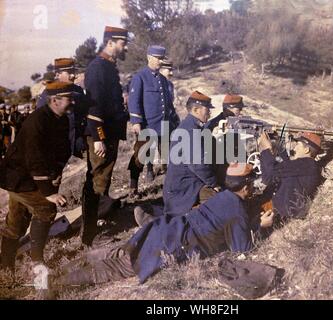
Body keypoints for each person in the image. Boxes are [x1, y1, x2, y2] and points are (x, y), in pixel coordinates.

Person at [54, 163, 275, 287]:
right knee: (121, 267)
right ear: (245, 187)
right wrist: (261, 227)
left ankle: (58, 271)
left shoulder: (223, 195)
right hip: (174, 243)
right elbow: (242, 249)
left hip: (167, 227)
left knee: (119, 251)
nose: (253, 188)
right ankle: (55, 285)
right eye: (251, 184)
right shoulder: (237, 209)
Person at [0, 82, 76, 270]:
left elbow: (64, 150)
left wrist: (56, 172)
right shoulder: (37, 121)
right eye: (69, 98)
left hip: (29, 178)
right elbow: (34, 158)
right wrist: (49, 192)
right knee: (46, 208)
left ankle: (5, 266)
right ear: (55, 100)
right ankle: (37, 263)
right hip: (17, 177)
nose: (72, 102)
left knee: (17, 219)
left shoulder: (62, 119)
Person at [80, 26, 129, 246]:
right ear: (110, 42)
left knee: (104, 179)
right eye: (121, 42)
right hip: (102, 134)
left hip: (110, 133)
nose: (124, 46)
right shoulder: (99, 68)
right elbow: (94, 106)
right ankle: (89, 236)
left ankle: (96, 226)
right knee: (96, 180)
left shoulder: (108, 66)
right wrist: (98, 137)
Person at [163, 91, 233, 216]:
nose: (209, 113)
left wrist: (222, 116)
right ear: (196, 109)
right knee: (225, 203)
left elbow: (207, 127)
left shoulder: (190, 125)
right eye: (207, 110)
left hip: (188, 182)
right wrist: (214, 183)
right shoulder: (191, 131)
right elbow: (198, 165)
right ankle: (183, 218)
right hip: (186, 188)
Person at [127, 45, 179, 190]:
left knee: (167, 155)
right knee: (140, 155)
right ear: (149, 57)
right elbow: (134, 101)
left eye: (162, 58)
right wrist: (136, 121)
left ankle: (169, 184)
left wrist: (173, 119)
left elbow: (167, 103)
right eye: (157, 58)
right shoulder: (140, 77)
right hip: (148, 124)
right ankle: (133, 186)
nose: (160, 61)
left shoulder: (163, 80)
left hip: (164, 124)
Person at [258, 131, 323, 220]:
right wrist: (277, 144)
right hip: (279, 210)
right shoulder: (306, 165)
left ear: (306, 150)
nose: (294, 149)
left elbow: (269, 175)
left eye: (297, 145)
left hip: (281, 215)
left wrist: (266, 149)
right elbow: (285, 168)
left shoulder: (307, 164)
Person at [37, 58, 88, 157]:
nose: (74, 75)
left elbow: (84, 116)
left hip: (78, 145)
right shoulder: (48, 94)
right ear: (57, 75)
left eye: (73, 71)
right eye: (69, 72)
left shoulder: (78, 91)